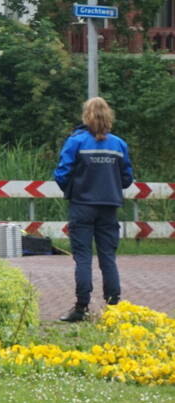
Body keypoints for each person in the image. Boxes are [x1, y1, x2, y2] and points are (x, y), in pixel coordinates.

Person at [53, 96, 134, 322]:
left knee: (83, 258)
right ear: (108, 115)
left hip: (82, 206)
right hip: (109, 206)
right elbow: (127, 178)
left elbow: (61, 173)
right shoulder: (118, 144)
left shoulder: (76, 141)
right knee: (108, 256)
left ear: (85, 116)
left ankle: (81, 307)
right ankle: (114, 306)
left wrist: (73, 189)